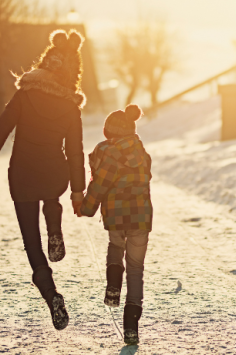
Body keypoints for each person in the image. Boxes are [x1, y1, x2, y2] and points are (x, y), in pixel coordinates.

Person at [0, 29, 87, 330]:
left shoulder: (25, 94)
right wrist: (77, 192)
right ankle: (54, 221)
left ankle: (51, 293)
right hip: (56, 172)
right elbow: (76, 152)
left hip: (23, 173)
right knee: (51, 197)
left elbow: (2, 126)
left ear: (44, 63)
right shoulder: (70, 106)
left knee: (31, 240)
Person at [79, 104, 152, 345]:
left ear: (108, 131)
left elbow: (100, 184)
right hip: (141, 217)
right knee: (136, 269)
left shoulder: (108, 153)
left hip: (117, 217)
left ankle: (112, 285)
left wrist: (87, 208)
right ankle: (131, 327)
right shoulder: (142, 153)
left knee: (115, 246)